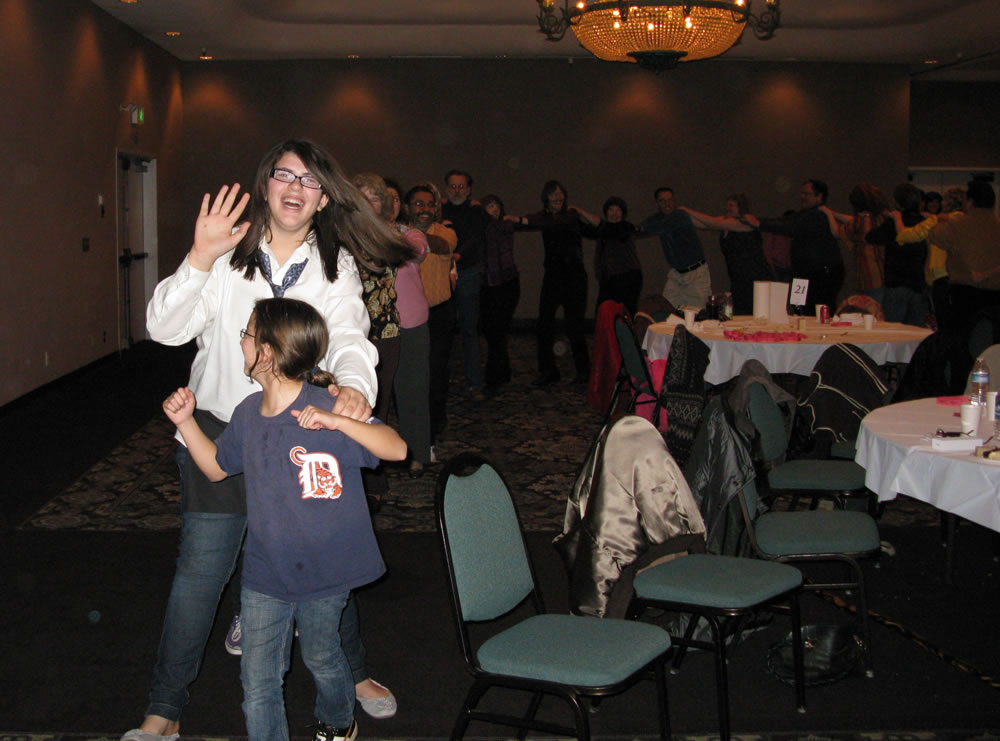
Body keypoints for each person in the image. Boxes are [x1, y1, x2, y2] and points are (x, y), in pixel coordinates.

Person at [130, 140, 407, 741]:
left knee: (321, 557)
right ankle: (165, 710)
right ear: (265, 185)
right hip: (223, 429)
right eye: (284, 174)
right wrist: (199, 257)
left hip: (300, 431)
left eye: (309, 180)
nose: (295, 187)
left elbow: (350, 337)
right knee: (200, 574)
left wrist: (354, 389)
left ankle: (352, 672)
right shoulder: (228, 253)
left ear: (324, 198)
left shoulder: (334, 264)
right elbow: (163, 329)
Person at [162, 297, 407, 741]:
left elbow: (396, 448)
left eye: (247, 334)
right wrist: (186, 422)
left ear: (268, 352)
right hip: (265, 573)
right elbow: (216, 468)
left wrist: (338, 423)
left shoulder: (326, 406)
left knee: (321, 656)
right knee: (258, 684)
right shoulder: (247, 414)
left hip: (326, 570)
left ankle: (337, 722)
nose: (241, 342)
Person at [517, 180, 600, 386]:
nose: (558, 197)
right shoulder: (543, 217)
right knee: (544, 325)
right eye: (553, 194)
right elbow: (533, 221)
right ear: (546, 198)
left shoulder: (571, 217)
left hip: (575, 278)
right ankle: (548, 371)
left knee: (575, 326)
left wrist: (581, 212)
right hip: (553, 278)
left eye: (560, 193)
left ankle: (584, 371)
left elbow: (596, 229)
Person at [351, 173, 401, 508]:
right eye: (361, 196)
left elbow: (380, 262)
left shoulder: (388, 234)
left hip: (384, 332)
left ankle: (373, 478)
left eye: (374, 197)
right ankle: (352, 474)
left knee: (377, 405)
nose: (368, 203)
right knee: (351, 404)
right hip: (349, 332)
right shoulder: (338, 234)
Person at [746, 179, 845, 313]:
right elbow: (784, 221)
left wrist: (758, 223)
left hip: (821, 274)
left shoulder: (818, 215)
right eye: (801, 193)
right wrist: (757, 221)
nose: (802, 197)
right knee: (799, 307)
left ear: (819, 196)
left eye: (806, 194)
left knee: (815, 310)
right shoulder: (805, 213)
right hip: (803, 273)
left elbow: (789, 226)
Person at [409, 182, 458, 447]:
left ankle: (435, 422)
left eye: (430, 204)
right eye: (419, 204)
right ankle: (413, 423)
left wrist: (407, 235)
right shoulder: (398, 233)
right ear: (408, 207)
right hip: (409, 317)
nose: (425, 209)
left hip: (440, 314)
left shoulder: (445, 232)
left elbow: (442, 246)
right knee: (411, 375)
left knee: (437, 372)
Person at [395, 186, 433, 477]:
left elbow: (417, 251)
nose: (387, 203)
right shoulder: (355, 232)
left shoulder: (410, 233)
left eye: (394, 198)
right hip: (368, 324)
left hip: (410, 321)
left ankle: (417, 453)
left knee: (413, 389)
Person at [681, 194, 772, 316]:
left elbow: (712, 222)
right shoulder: (725, 222)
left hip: (754, 275)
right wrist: (679, 215)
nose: (727, 208)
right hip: (738, 277)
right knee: (740, 311)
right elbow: (703, 224)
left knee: (752, 310)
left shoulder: (744, 223)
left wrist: (686, 210)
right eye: (727, 205)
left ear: (740, 207)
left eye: (731, 205)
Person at [442, 169, 490, 391]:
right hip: (443, 274)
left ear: (469, 190)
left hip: (468, 273)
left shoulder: (476, 211)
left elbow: (477, 237)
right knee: (444, 329)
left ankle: (475, 383)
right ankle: (443, 381)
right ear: (446, 188)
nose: (457, 191)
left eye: (461, 186)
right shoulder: (439, 209)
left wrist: (458, 255)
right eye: (453, 186)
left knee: (469, 329)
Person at [637, 187, 711, 310]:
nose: (667, 204)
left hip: (696, 274)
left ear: (674, 201)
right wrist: (624, 230)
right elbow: (640, 230)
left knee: (698, 312)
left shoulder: (680, 215)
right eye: (662, 201)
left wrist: (641, 229)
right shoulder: (658, 217)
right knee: (667, 309)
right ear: (657, 203)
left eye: (670, 200)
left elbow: (660, 226)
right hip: (677, 275)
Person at [480, 194, 521, 396]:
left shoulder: (505, 225)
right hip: (488, 285)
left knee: (498, 331)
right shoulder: (480, 228)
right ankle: (503, 372)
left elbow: (499, 229)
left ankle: (494, 378)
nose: (493, 210)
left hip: (507, 283)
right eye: (489, 206)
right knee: (493, 331)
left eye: (495, 206)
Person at [593, 196, 643, 317]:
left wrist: (580, 211)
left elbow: (613, 231)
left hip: (628, 276)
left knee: (626, 313)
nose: (614, 213)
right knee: (604, 312)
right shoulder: (603, 231)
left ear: (622, 213)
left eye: (618, 210)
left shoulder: (625, 227)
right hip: (609, 278)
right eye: (611, 209)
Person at [837, 184, 891, 291]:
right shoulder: (885, 219)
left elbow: (837, 232)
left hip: (868, 277)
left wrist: (830, 213)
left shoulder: (859, 223)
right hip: (887, 275)